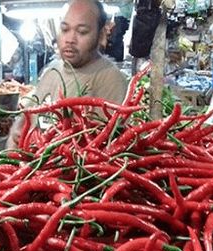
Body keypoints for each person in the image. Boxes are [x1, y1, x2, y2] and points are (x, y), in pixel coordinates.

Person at [7, 0, 128, 149]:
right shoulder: (51, 71)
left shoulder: (111, 79)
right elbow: (26, 120)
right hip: (31, 169)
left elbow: (103, 149)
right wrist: (18, 133)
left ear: (101, 34)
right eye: (65, 29)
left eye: (82, 31)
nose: (70, 39)